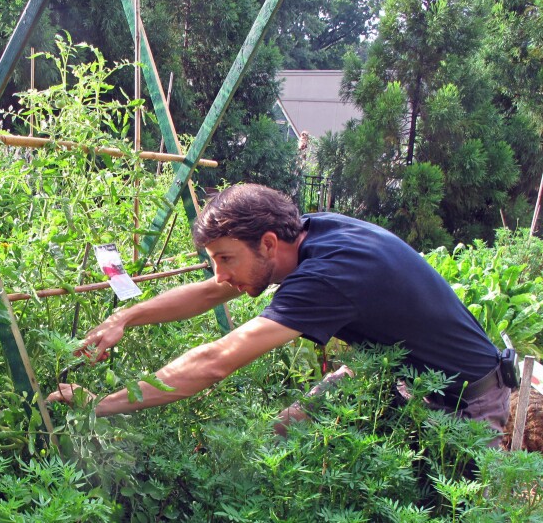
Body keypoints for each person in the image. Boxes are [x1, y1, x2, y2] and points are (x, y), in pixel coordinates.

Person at [47, 183, 512, 437]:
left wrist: (99, 405)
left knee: (444, 505)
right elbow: (210, 292)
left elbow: (215, 361)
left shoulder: (329, 274)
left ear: (268, 242)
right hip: (392, 373)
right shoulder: (302, 237)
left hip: (467, 400)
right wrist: (124, 316)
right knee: (288, 435)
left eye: (226, 259)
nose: (221, 274)